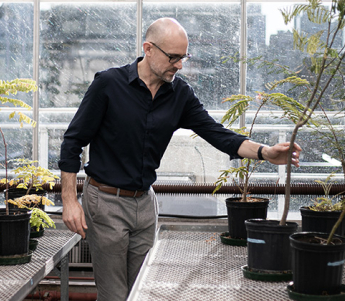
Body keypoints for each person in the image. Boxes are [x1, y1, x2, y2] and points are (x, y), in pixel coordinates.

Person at [58, 17, 302, 301]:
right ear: (148, 49)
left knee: (143, 290)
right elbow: (73, 140)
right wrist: (69, 200)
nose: (180, 65)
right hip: (105, 202)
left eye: (183, 57)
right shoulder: (108, 84)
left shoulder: (180, 94)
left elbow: (217, 134)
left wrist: (266, 152)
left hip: (145, 204)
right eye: (173, 57)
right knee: (115, 295)